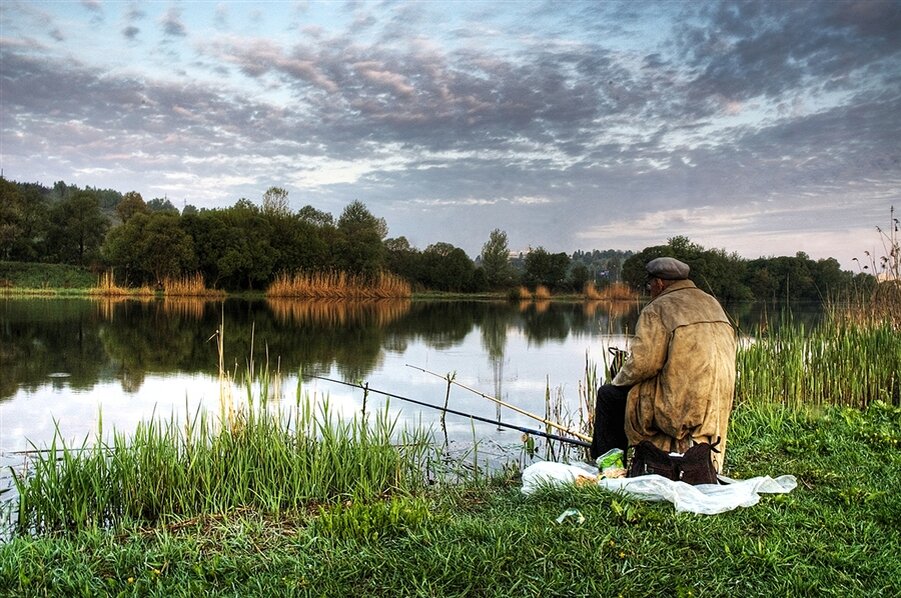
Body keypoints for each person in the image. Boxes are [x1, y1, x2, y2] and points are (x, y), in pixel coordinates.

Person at [591, 257, 737, 473]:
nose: (649, 290)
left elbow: (643, 364)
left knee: (610, 396)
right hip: (717, 400)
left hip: (681, 403)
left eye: (649, 285)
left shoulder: (659, 308)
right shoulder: (711, 303)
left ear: (659, 283)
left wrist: (618, 380)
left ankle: (610, 468)